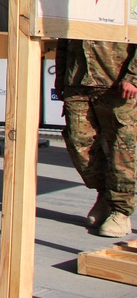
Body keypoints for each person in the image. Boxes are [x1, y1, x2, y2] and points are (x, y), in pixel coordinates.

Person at [55, 39, 137, 238]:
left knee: (122, 147)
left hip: (116, 79)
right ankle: (104, 195)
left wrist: (134, 75)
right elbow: (64, 37)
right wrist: (61, 76)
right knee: (79, 142)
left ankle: (120, 210)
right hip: (78, 78)